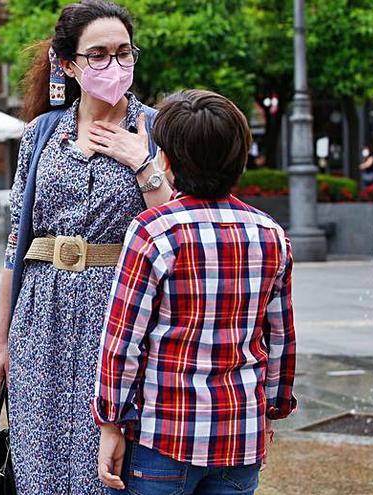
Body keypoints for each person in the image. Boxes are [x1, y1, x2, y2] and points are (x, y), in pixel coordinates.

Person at [0, 1, 173, 493]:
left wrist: (144, 166)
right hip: (41, 315)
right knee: (39, 457)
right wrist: (3, 339)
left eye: (123, 52)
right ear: (67, 64)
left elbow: (176, 228)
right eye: (97, 54)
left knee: (109, 460)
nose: (113, 65)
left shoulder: (158, 129)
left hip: (121, 314)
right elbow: (17, 240)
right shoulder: (42, 133)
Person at [94, 90, 297, 495]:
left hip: (164, 438)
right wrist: (272, 409)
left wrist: (110, 421)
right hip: (240, 437)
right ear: (241, 159)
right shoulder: (270, 234)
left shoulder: (154, 231)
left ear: (165, 162)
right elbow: (280, 339)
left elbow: (123, 342)